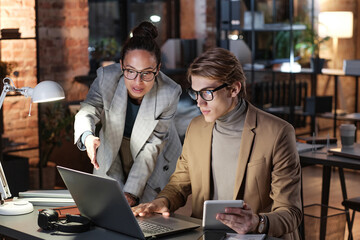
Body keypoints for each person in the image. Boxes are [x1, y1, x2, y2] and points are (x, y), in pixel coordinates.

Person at [132, 47, 302, 239]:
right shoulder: (196, 128)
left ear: (234, 89)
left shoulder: (278, 133)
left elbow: (291, 213)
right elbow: (180, 182)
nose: (199, 102)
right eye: (195, 93)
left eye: (206, 93)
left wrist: (257, 222)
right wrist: (163, 201)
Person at [74, 21, 182, 206]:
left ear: (158, 69)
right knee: (110, 210)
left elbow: (151, 147)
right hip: (113, 147)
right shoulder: (106, 78)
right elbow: (88, 110)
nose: (137, 82)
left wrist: (131, 193)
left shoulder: (169, 92)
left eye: (147, 73)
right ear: (121, 65)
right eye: (130, 71)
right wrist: (87, 136)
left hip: (155, 155)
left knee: (146, 217)